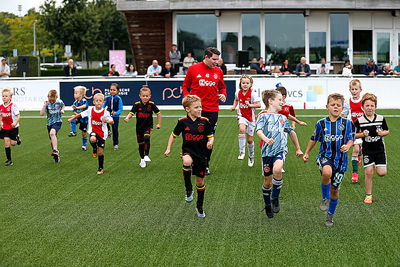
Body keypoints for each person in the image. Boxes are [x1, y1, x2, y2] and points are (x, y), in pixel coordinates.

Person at [303, 93, 355, 227]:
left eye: (339, 105)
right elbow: (314, 138)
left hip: (341, 161)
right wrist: (307, 153)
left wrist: (348, 146)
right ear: (327, 107)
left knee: (335, 190)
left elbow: (351, 138)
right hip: (325, 157)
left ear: (343, 108)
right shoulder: (321, 123)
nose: (336, 107)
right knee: (327, 173)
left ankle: (330, 214)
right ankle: (325, 198)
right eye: (333, 105)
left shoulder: (348, 123)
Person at [164, 95, 214, 218]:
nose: (200, 109)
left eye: (200, 107)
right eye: (196, 107)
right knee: (186, 161)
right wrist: (168, 148)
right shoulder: (182, 122)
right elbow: (173, 135)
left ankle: (199, 206)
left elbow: (211, 136)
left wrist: (210, 142)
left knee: (200, 182)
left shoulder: (205, 122)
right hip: (188, 151)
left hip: (201, 155)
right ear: (188, 109)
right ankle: (188, 189)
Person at [256, 90, 303, 218]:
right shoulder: (262, 116)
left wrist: (298, 148)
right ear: (270, 101)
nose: (282, 102)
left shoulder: (283, 118)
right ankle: (267, 205)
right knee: (267, 182)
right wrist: (266, 139)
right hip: (266, 152)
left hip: (280, 150)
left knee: (277, 169)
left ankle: (275, 198)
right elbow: (258, 131)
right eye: (279, 100)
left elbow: (291, 132)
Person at [182, 47, 227, 175]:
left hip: (212, 110)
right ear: (206, 57)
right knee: (192, 137)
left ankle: (205, 164)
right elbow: (185, 86)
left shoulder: (218, 71)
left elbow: (222, 87)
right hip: (194, 110)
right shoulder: (193, 69)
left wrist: (223, 94)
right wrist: (187, 98)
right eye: (214, 59)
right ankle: (190, 161)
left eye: (217, 59)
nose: (216, 62)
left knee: (208, 139)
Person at [354, 93, 390, 204]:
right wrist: (362, 135)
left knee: (382, 173)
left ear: (375, 107)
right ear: (363, 107)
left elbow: (387, 131)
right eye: (367, 105)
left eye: (372, 105)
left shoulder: (381, 118)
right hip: (367, 150)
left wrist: (381, 133)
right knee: (369, 172)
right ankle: (368, 195)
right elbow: (353, 135)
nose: (369, 108)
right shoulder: (359, 121)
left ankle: (374, 164)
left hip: (379, 149)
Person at [68, 93, 114, 175]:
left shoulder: (105, 112)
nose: (98, 102)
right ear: (93, 102)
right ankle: (94, 148)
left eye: (100, 101)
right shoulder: (90, 110)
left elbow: (112, 121)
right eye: (97, 101)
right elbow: (81, 114)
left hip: (102, 134)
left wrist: (106, 121)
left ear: (103, 102)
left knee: (100, 153)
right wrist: (72, 118)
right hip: (93, 131)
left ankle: (101, 167)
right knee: (92, 139)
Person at [124, 86, 161, 168]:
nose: (145, 97)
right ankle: (142, 159)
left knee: (147, 137)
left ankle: (146, 155)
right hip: (139, 128)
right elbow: (131, 113)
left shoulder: (151, 104)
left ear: (150, 96)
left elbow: (158, 113)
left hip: (148, 126)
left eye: (147, 96)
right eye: (143, 96)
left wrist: (159, 124)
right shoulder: (137, 105)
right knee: (141, 145)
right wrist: (127, 118)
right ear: (140, 96)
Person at [229, 75, 261, 167]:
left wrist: (250, 105)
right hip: (242, 116)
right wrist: (234, 106)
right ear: (240, 84)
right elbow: (236, 100)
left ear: (251, 84)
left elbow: (258, 105)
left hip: (251, 118)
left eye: (247, 83)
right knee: (242, 129)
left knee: (250, 140)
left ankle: (251, 157)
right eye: (243, 83)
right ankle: (242, 152)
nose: (245, 85)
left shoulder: (252, 94)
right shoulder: (237, 93)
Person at [341, 79, 364, 183]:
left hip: (364, 129)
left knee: (361, 150)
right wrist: (336, 119)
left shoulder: (364, 101)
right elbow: (344, 113)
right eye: (352, 89)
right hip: (353, 129)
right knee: (355, 149)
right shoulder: (348, 101)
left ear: (360, 90)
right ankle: (355, 173)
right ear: (350, 90)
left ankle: (360, 155)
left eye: (356, 89)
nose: (354, 91)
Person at [39, 89, 65, 163]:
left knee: (52, 133)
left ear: (56, 97)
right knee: (51, 141)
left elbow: (63, 106)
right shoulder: (47, 104)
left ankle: (56, 150)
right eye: (50, 100)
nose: (51, 101)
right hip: (49, 123)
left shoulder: (59, 102)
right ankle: (56, 155)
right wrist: (44, 106)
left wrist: (62, 110)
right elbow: (41, 114)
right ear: (48, 97)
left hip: (57, 122)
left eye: (53, 100)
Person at [0, 88, 21, 166]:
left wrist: (15, 123)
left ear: (10, 97)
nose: (4, 97)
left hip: (13, 128)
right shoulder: (1, 106)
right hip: (5, 127)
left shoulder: (13, 106)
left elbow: (18, 116)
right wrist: (0, 123)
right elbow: (1, 116)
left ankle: (17, 138)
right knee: (6, 143)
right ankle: (9, 160)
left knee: (13, 143)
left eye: (6, 96)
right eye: (3, 96)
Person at [103, 83, 123, 150]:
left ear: (117, 91)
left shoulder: (118, 98)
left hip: (115, 117)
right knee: (104, 123)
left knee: (115, 130)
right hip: (108, 114)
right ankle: (108, 131)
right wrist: (101, 110)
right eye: (111, 90)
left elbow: (121, 109)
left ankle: (115, 144)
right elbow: (104, 106)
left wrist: (116, 113)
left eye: (114, 90)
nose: (112, 91)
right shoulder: (107, 98)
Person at [68, 86, 89, 151]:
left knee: (84, 133)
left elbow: (85, 106)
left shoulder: (84, 100)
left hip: (84, 118)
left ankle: (84, 145)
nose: (74, 94)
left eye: (76, 93)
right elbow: (74, 111)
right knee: (72, 118)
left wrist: (77, 108)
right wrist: (76, 114)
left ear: (81, 94)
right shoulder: (75, 102)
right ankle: (74, 132)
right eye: (74, 93)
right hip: (78, 116)